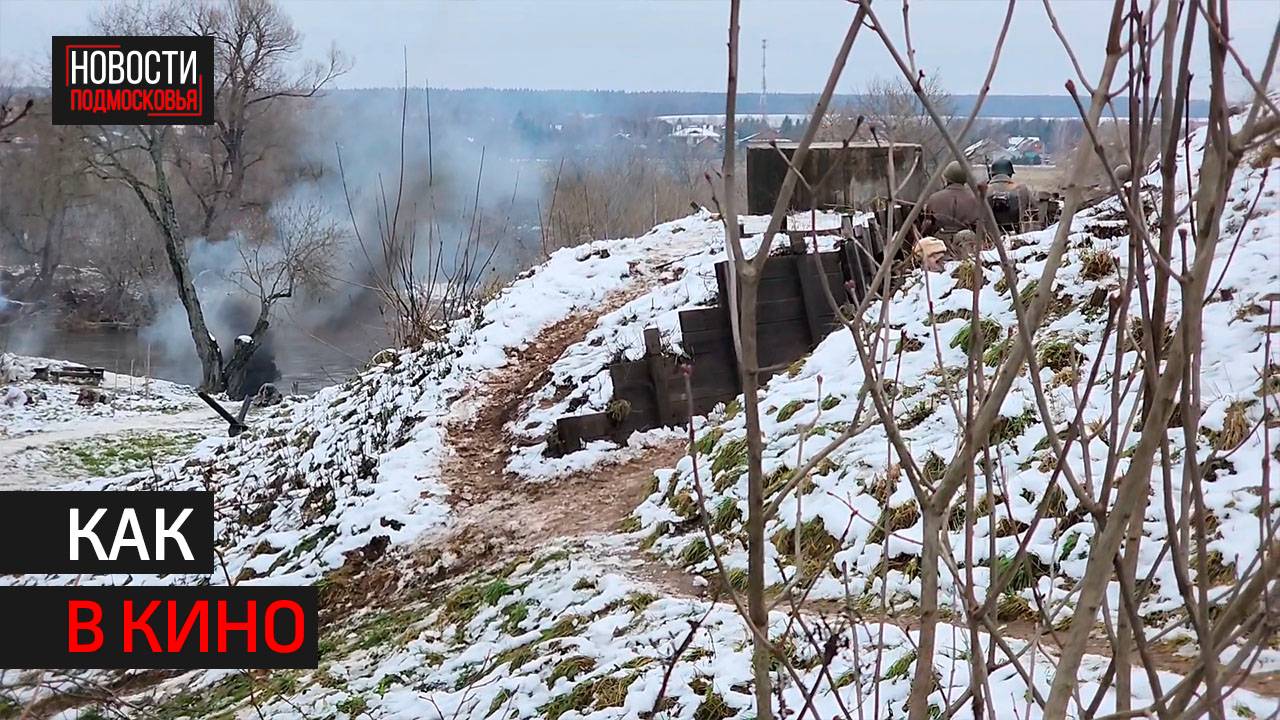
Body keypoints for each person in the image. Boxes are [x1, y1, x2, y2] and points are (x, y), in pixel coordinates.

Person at [922, 161, 984, 237]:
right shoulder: (975, 199)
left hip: (939, 241)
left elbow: (927, 226)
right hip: (967, 241)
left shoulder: (934, 198)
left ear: (947, 178)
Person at [986, 158, 1033, 231]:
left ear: (992, 174)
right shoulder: (1022, 189)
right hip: (1018, 232)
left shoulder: (984, 190)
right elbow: (1033, 209)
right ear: (1010, 174)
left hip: (989, 233)